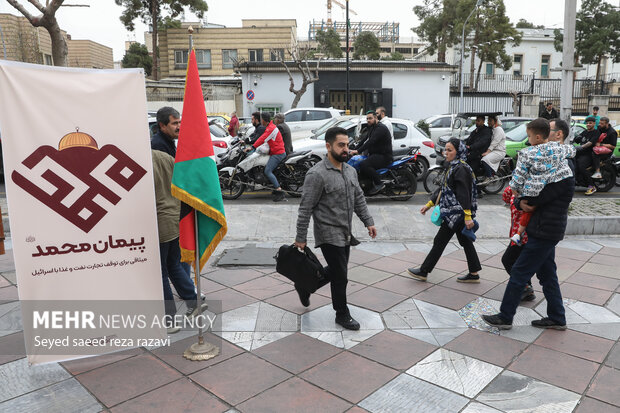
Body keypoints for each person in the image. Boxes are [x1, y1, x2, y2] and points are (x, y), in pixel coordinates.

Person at [483, 121, 575, 331]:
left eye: (549, 130)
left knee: (519, 273)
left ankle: (505, 317)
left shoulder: (563, 167)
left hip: (545, 229)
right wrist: (519, 199)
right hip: (544, 228)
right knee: (547, 275)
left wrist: (518, 201)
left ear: (556, 135)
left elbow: (534, 201)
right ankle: (557, 317)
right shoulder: (553, 163)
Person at [295, 127, 377, 330]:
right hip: (327, 232)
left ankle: (305, 285)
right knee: (341, 276)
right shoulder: (316, 174)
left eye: (347, 145)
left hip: (345, 232)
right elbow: (305, 208)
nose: (345, 149)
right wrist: (300, 237)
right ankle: (342, 313)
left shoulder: (350, 170)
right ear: (328, 146)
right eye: (341, 145)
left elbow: (359, 198)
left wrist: (368, 221)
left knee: (336, 270)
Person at [408, 138, 482, 283]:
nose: (445, 153)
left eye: (449, 150)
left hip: (456, 214)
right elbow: (444, 189)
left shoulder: (461, 168)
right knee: (465, 242)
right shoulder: (453, 166)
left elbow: (464, 193)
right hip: (453, 213)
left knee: (440, 241)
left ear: (458, 151)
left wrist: (467, 216)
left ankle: (424, 271)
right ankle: (474, 273)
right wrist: (429, 204)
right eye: (445, 149)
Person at [152, 150, 206, 334]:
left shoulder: (141, 161)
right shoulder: (165, 157)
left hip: (158, 223)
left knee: (160, 273)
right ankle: (193, 301)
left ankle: (169, 320)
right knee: (173, 265)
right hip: (175, 220)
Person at [507, 118, 575, 245]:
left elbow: (520, 176)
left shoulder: (564, 163)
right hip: (542, 225)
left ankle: (518, 233)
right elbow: (572, 150)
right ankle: (518, 234)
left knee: (517, 263)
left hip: (545, 227)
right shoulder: (561, 152)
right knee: (546, 264)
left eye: (549, 130)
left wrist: (518, 195)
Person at [501, 187, 536, 302]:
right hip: (516, 234)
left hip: (524, 235)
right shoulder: (514, 189)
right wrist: (514, 188)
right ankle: (528, 291)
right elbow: (505, 197)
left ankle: (524, 287)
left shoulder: (530, 191)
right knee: (521, 263)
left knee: (507, 260)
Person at [349, 111, 393, 195]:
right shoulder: (372, 127)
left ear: (375, 118)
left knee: (364, 164)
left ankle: (379, 183)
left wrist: (358, 151)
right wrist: (353, 149)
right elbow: (363, 140)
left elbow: (371, 141)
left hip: (384, 156)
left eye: (370, 118)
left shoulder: (381, 128)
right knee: (360, 165)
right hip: (375, 155)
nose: (368, 120)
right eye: (367, 118)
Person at [251, 112, 287, 202]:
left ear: (263, 120)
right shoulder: (270, 127)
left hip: (278, 153)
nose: (260, 121)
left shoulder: (271, 128)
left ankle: (279, 191)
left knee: (267, 171)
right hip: (275, 152)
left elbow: (262, 138)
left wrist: (253, 147)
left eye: (261, 119)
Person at [574, 116, 601, 195]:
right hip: (580, 153)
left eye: (590, 123)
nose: (588, 124)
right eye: (587, 123)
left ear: (594, 123)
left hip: (588, 154)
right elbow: (578, 138)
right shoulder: (585, 131)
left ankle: (592, 186)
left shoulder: (596, 132)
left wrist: (581, 147)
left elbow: (591, 143)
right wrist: (576, 138)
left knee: (581, 166)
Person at [480, 115, 506, 182]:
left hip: (499, 152)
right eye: (488, 120)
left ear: (495, 121)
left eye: (490, 121)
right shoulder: (493, 129)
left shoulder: (499, 129)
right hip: (494, 151)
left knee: (485, 160)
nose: (488, 122)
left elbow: (495, 142)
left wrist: (488, 152)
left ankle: (489, 177)